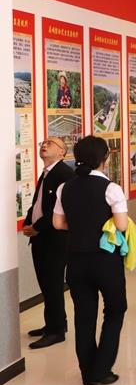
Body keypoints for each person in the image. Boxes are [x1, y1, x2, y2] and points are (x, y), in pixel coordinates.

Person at [51, 136, 129, 385]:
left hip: (75, 260)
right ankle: (102, 368)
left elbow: (58, 223)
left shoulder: (65, 187)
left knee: (84, 316)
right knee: (115, 309)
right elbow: (121, 225)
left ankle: (87, 372)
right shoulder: (111, 188)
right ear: (105, 158)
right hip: (105, 260)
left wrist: (80, 225)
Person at [22, 137, 75, 349]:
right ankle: (54, 323)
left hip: (54, 239)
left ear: (62, 152)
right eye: (43, 143)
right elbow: (38, 203)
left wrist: (36, 227)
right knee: (47, 284)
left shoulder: (64, 174)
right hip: (41, 237)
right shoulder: (47, 173)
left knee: (52, 284)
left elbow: (56, 209)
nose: (44, 145)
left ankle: (56, 331)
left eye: (50, 143)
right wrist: (28, 222)